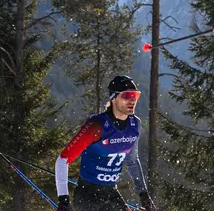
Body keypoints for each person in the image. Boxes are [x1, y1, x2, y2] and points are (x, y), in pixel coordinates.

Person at [55, 76, 158, 211]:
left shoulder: (135, 125)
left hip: (111, 193)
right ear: (113, 98)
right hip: (87, 195)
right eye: (127, 95)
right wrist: (63, 201)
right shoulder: (97, 125)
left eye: (135, 95)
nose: (132, 100)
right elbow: (63, 159)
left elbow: (132, 161)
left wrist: (145, 197)